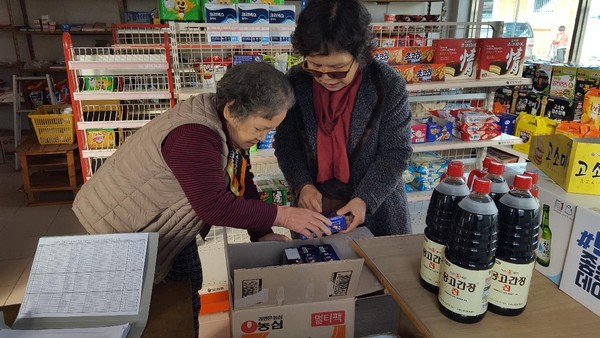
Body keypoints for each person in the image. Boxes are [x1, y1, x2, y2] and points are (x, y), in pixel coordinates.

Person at [71, 62, 333, 337]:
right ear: (232, 109)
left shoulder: (224, 124)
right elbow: (213, 205)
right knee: (153, 316)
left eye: (270, 130)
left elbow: (240, 180)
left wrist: (263, 233)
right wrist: (285, 215)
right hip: (118, 233)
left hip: (165, 230)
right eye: (261, 128)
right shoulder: (194, 134)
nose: (262, 138)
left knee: (188, 285)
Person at [274, 0, 413, 237]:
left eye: (337, 69)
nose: (326, 78)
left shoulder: (387, 85)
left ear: (360, 56)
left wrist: (365, 199)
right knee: (314, 271)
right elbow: (287, 145)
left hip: (375, 206)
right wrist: (302, 185)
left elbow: (396, 152)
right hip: (314, 208)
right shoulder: (296, 82)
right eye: (315, 67)